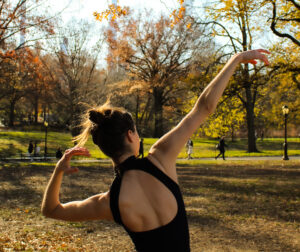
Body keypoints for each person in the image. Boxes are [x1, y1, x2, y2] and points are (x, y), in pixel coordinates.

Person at [41, 49, 270, 251]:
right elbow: (203, 107)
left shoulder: (109, 202)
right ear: (130, 135)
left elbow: (51, 210)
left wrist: (59, 170)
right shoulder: (160, 157)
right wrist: (236, 59)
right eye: (137, 132)